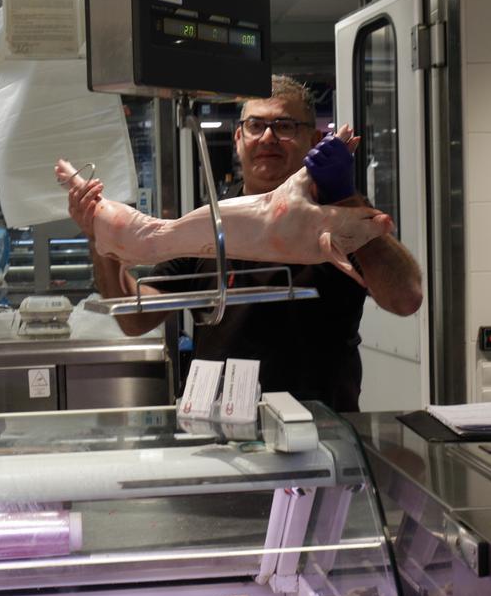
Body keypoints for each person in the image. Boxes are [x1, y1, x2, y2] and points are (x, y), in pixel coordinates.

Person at [67, 75, 423, 412]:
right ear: (238, 138)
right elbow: (134, 320)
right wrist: (102, 238)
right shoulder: (208, 227)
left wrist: (346, 199)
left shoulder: (338, 219)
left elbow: (406, 298)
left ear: (314, 140)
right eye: (256, 125)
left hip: (321, 426)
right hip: (221, 429)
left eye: (285, 126)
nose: (268, 138)